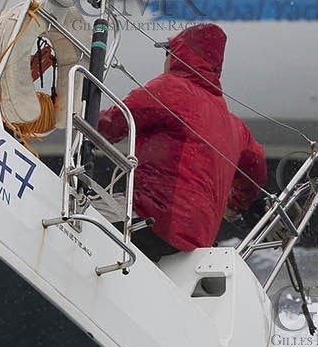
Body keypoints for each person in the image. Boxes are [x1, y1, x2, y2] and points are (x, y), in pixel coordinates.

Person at [96, 23, 267, 261]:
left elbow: (111, 125)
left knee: (74, 213)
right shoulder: (236, 126)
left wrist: (70, 106)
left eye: (167, 52)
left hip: (153, 219)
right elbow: (256, 171)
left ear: (177, 55)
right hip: (196, 238)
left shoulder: (170, 89)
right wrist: (235, 204)